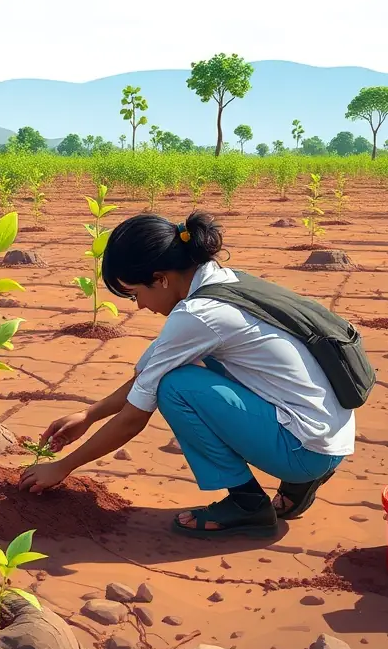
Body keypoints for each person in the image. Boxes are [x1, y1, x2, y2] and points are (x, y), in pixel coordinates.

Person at [19, 212, 353, 538]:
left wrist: (61, 467)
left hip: (305, 449)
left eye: (136, 293)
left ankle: (248, 504)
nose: (138, 306)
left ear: (161, 278)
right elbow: (148, 372)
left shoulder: (197, 315)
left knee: (175, 387)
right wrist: (88, 415)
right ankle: (299, 480)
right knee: (179, 372)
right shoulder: (225, 281)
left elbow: (135, 417)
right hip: (328, 435)